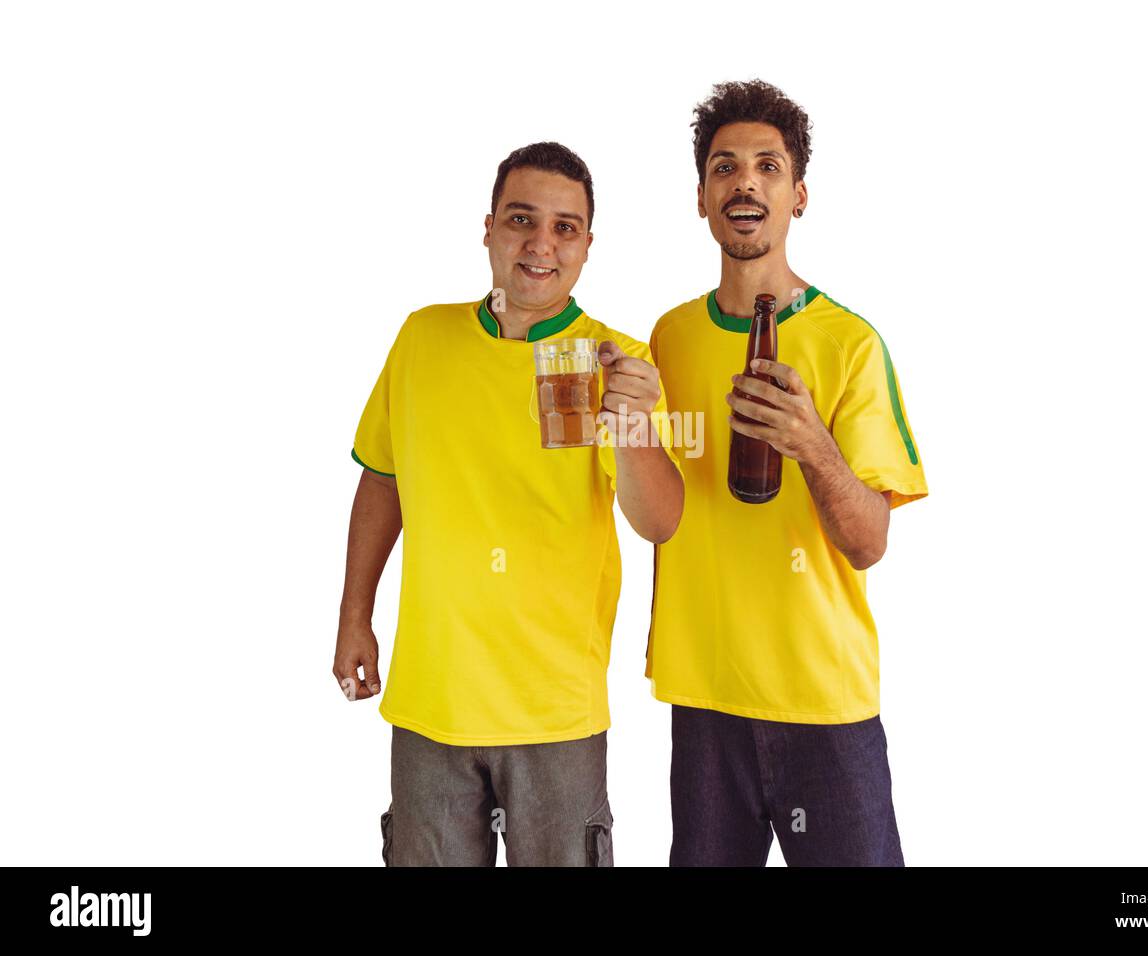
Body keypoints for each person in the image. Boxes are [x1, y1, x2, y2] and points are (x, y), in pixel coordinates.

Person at [336, 142, 683, 866]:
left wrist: (633, 426)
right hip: (433, 699)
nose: (540, 244)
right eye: (522, 220)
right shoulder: (421, 338)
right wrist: (353, 617)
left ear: (588, 245)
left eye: (565, 228)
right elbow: (383, 479)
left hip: (556, 708)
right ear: (489, 226)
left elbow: (661, 521)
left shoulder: (620, 359)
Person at [646, 80, 929, 866]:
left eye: (768, 167)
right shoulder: (665, 339)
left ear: (798, 196)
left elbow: (869, 542)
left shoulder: (850, 344)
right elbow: (654, 504)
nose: (746, 182)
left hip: (821, 701)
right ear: (702, 198)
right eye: (725, 167)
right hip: (703, 697)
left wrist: (814, 447)